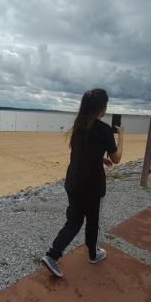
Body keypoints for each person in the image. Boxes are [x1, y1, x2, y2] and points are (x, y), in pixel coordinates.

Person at [42, 88, 124, 278]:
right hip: (93, 186)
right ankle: (94, 254)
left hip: (73, 182)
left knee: (74, 220)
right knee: (93, 222)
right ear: (102, 107)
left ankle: (52, 255)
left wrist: (100, 159)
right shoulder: (103, 129)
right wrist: (121, 135)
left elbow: (82, 152)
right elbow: (118, 158)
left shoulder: (79, 125)